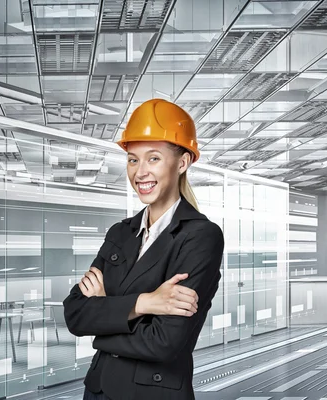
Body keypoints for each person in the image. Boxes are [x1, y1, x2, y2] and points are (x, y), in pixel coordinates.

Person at [63, 98, 225, 400]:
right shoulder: (120, 232)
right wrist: (145, 303)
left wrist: (103, 317)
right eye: (133, 159)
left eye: (153, 158)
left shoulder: (200, 236)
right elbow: (75, 314)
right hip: (97, 393)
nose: (140, 173)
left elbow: (165, 342)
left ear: (183, 162)